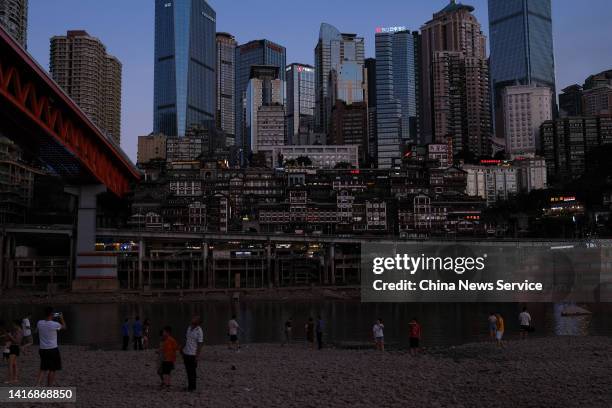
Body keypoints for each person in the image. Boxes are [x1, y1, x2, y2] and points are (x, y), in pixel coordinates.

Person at [36, 307, 66, 386]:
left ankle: (37, 384)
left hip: (42, 349)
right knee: (52, 369)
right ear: (52, 314)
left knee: (43, 367)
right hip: (52, 349)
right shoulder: (55, 324)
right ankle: (49, 386)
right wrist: (61, 318)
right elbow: (64, 327)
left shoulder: (39, 323)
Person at [182, 315, 204, 392]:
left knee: (192, 371)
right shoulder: (189, 327)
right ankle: (189, 386)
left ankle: (192, 387)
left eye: (194, 318)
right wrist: (182, 349)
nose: (192, 319)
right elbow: (186, 339)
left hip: (193, 353)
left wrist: (197, 356)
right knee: (188, 370)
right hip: (186, 352)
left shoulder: (199, 330)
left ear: (198, 321)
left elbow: (200, 344)